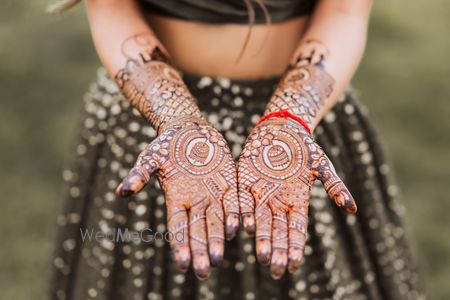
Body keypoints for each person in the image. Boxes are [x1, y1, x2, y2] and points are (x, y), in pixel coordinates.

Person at [47, 0, 425, 299]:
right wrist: (175, 119)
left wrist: (289, 119)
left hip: (305, 118)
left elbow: (344, 9)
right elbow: (112, 6)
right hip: (150, 118)